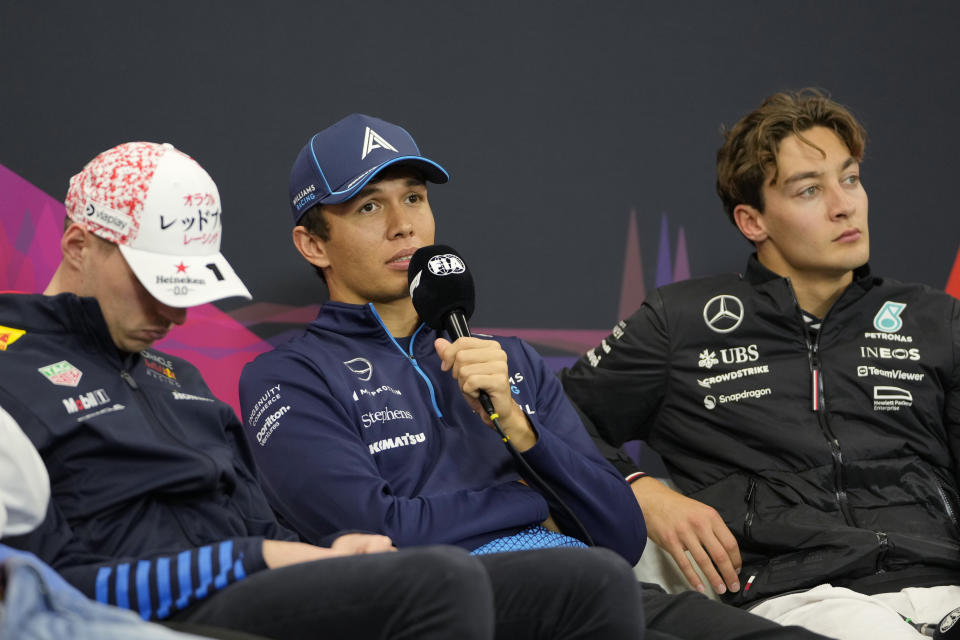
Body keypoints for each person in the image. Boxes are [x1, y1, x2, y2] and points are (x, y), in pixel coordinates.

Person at [0, 141, 645, 640]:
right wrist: (263, 558)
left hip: (256, 579)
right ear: (79, 245)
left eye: (187, 288)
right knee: (439, 578)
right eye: (154, 284)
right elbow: (40, 584)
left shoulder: (180, 381)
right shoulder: (12, 372)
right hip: (165, 605)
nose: (175, 315)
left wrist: (323, 555)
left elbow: (261, 518)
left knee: (592, 580)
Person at [238, 113, 830, 640]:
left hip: (598, 588)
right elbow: (373, 532)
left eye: (414, 198)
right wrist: (528, 502)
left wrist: (523, 430)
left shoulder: (508, 359)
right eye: (370, 206)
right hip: (459, 602)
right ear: (313, 244)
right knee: (587, 574)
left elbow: (619, 534)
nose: (404, 225)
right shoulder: (288, 376)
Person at [561, 89, 960, 640]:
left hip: (942, 579)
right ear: (753, 221)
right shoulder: (681, 321)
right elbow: (548, 418)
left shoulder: (936, 319)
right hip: (800, 596)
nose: (844, 205)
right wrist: (637, 488)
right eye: (809, 190)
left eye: (850, 178)